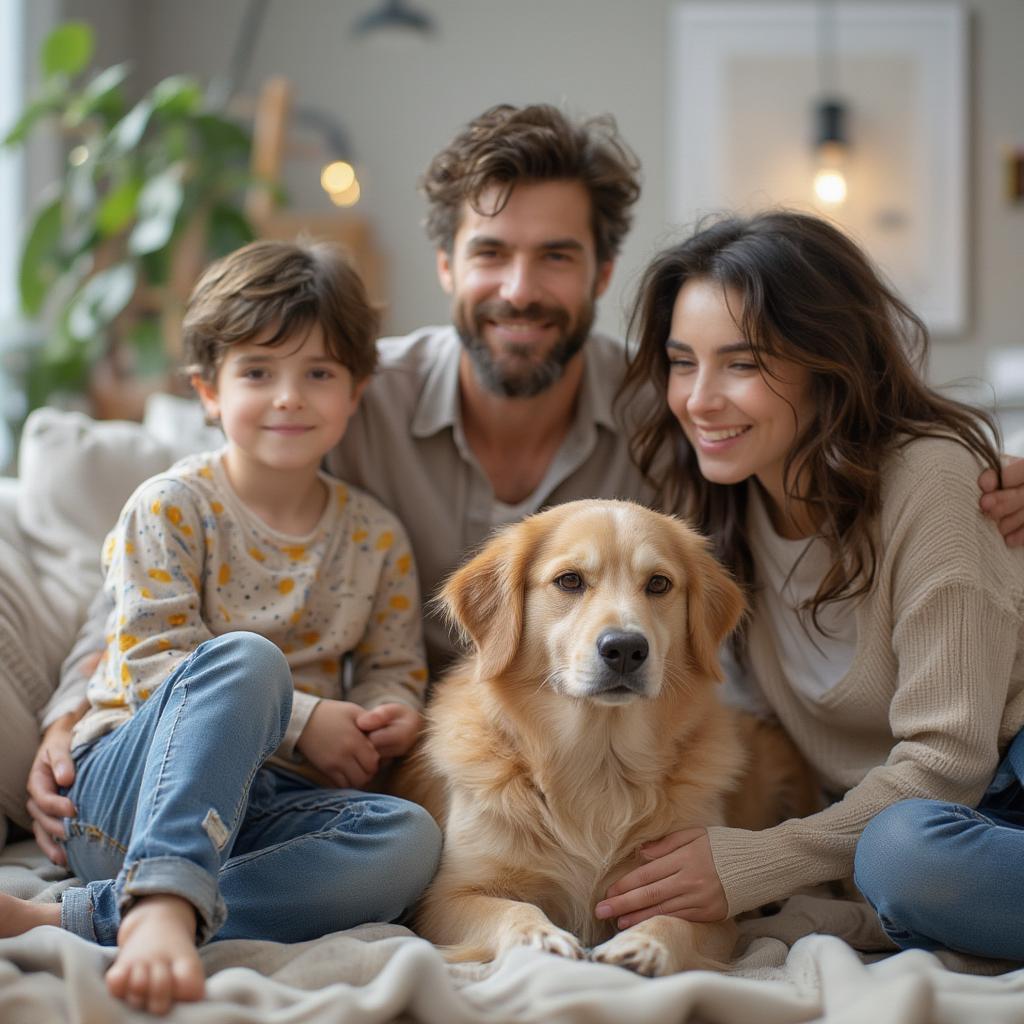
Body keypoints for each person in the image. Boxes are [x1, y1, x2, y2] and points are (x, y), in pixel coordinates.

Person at [24, 105, 1024, 865]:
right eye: (490, 253)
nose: (518, 289)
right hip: (420, 755)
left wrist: (984, 470)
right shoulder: (341, 400)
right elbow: (150, 557)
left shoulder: (672, 418)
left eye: (556, 256)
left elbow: (830, 417)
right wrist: (73, 720)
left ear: (599, 273)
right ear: (445, 265)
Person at [1, 240, 442, 1014]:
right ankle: (163, 899)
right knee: (248, 662)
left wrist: (388, 712)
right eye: (258, 373)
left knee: (408, 840)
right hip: (129, 796)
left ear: (356, 390)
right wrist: (305, 720)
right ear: (209, 390)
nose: (288, 398)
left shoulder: (376, 537)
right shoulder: (171, 506)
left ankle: (86, 916)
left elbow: (394, 662)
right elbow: (148, 660)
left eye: (319, 374)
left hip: (261, 815)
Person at [596, 210, 1024, 961]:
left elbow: (950, 763)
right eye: (682, 361)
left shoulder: (931, 478)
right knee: (894, 855)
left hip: (999, 775)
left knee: (903, 855)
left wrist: (756, 862)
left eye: (743, 363)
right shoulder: (716, 514)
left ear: (827, 363)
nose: (699, 399)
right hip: (919, 821)